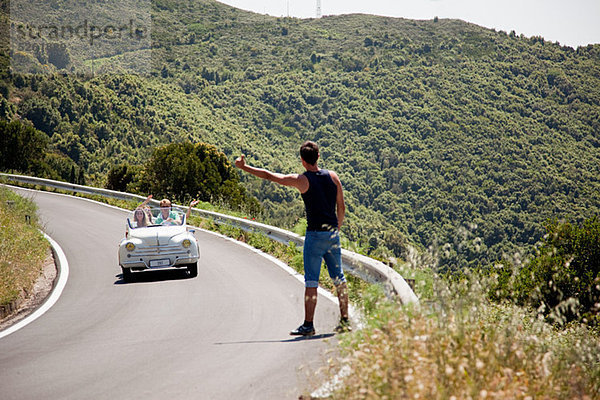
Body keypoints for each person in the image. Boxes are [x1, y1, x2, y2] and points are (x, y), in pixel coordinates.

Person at [235, 140, 350, 336]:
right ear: (318, 156)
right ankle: (345, 321)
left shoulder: (302, 180)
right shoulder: (333, 177)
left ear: (303, 161)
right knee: (339, 279)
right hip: (332, 235)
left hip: (314, 236)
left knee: (312, 282)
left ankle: (308, 325)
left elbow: (270, 175)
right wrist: (335, 229)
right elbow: (342, 207)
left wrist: (244, 167)